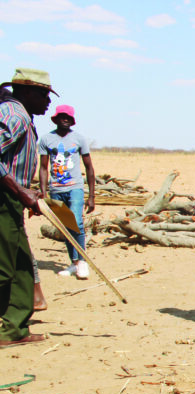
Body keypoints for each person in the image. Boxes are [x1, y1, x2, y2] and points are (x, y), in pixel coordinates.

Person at [0, 67, 56, 347]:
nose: (48, 101)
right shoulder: (14, 115)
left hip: (11, 197)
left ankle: (13, 330)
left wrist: (26, 190)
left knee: (22, 265)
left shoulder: (24, 116)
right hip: (3, 198)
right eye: (44, 95)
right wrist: (18, 190)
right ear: (26, 92)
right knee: (3, 267)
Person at [39, 104, 95, 279]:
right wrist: (43, 193)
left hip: (75, 188)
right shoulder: (46, 139)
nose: (65, 119)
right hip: (56, 189)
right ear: (56, 118)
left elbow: (89, 167)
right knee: (65, 227)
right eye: (62, 116)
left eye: (68, 117)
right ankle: (74, 263)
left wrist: (92, 196)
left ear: (72, 120)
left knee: (76, 223)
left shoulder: (79, 139)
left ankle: (83, 260)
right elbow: (43, 168)